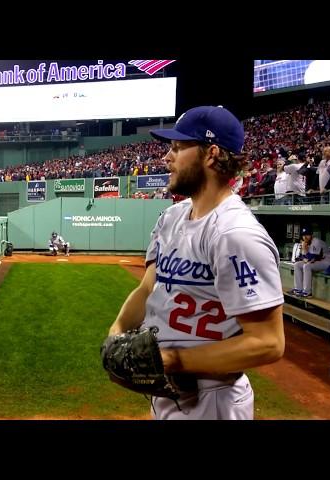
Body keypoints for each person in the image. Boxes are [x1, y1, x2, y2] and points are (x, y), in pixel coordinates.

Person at [106, 106, 285, 420]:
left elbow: (268, 343)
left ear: (211, 154)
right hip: (168, 392)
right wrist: (117, 333)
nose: (166, 157)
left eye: (177, 148)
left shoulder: (235, 234)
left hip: (211, 399)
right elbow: (148, 288)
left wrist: (172, 360)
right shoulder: (171, 217)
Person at [290, 226, 330, 298]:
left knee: (307, 266)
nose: (305, 237)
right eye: (303, 235)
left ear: (311, 235)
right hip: (319, 261)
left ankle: (307, 292)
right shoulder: (306, 242)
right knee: (297, 265)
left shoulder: (316, 242)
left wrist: (304, 249)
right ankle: (298, 289)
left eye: (307, 235)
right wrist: (304, 252)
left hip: (328, 262)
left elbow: (310, 259)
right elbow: (304, 258)